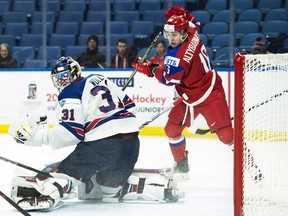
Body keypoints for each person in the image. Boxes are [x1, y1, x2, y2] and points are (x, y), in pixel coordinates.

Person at [9, 56, 182, 211]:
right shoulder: (101, 78)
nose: (61, 82)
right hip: (131, 143)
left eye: (64, 76)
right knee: (107, 187)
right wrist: (120, 127)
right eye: (58, 78)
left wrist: (35, 138)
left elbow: (71, 133)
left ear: (74, 73)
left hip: (103, 146)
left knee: (63, 172)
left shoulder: (70, 92)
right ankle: (161, 189)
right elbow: (131, 107)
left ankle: (44, 194)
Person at [132, 6, 234, 180]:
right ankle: (181, 165)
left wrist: (149, 68)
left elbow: (168, 79)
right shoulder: (192, 32)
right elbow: (194, 22)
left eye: (174, 35)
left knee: (227, 136)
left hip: (209, 93)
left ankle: (249, 164)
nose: (171, 39)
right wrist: (183, 15)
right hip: (188, 95)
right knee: (172, 129)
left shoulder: (180, 56)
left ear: (183, 34)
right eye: (169, 35)